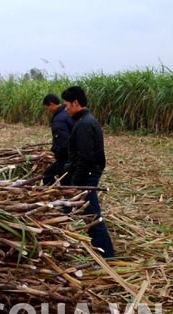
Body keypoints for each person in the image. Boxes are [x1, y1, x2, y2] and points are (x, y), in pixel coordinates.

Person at [62, 86, 115, 258]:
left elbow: (86, 157)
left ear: (76, 103)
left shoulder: (84, 124)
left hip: (87, 177)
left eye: (67, 105)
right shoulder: (85, 121)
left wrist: (76, 184)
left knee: (92, 217)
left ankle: (106, 257)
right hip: (88, 176)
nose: (65, 108)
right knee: (83, 214)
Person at [42, 94, 73, 185]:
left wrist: (58, 155)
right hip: (72, 155)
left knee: (50, 176)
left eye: (47, 108)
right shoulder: (67, 112)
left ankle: (63, 196)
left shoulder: (59, 119)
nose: (48, 110)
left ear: (51, 104)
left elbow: (63, 142)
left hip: (65, 157)